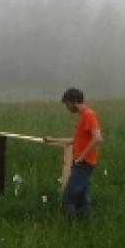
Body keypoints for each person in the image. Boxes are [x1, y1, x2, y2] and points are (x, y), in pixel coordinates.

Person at [45, 88, 103, 221]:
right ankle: (85, 225)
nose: (67, 107)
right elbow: (75, 140)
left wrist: (81, 157)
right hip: (81, 162)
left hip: (84, 163)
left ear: (75, 101)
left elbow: (98, 138)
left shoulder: (88, 115)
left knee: (68, 197)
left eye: (67, 104)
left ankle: (68, 227)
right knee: (82, 198)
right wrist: (53, 139)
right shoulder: (82, 116)